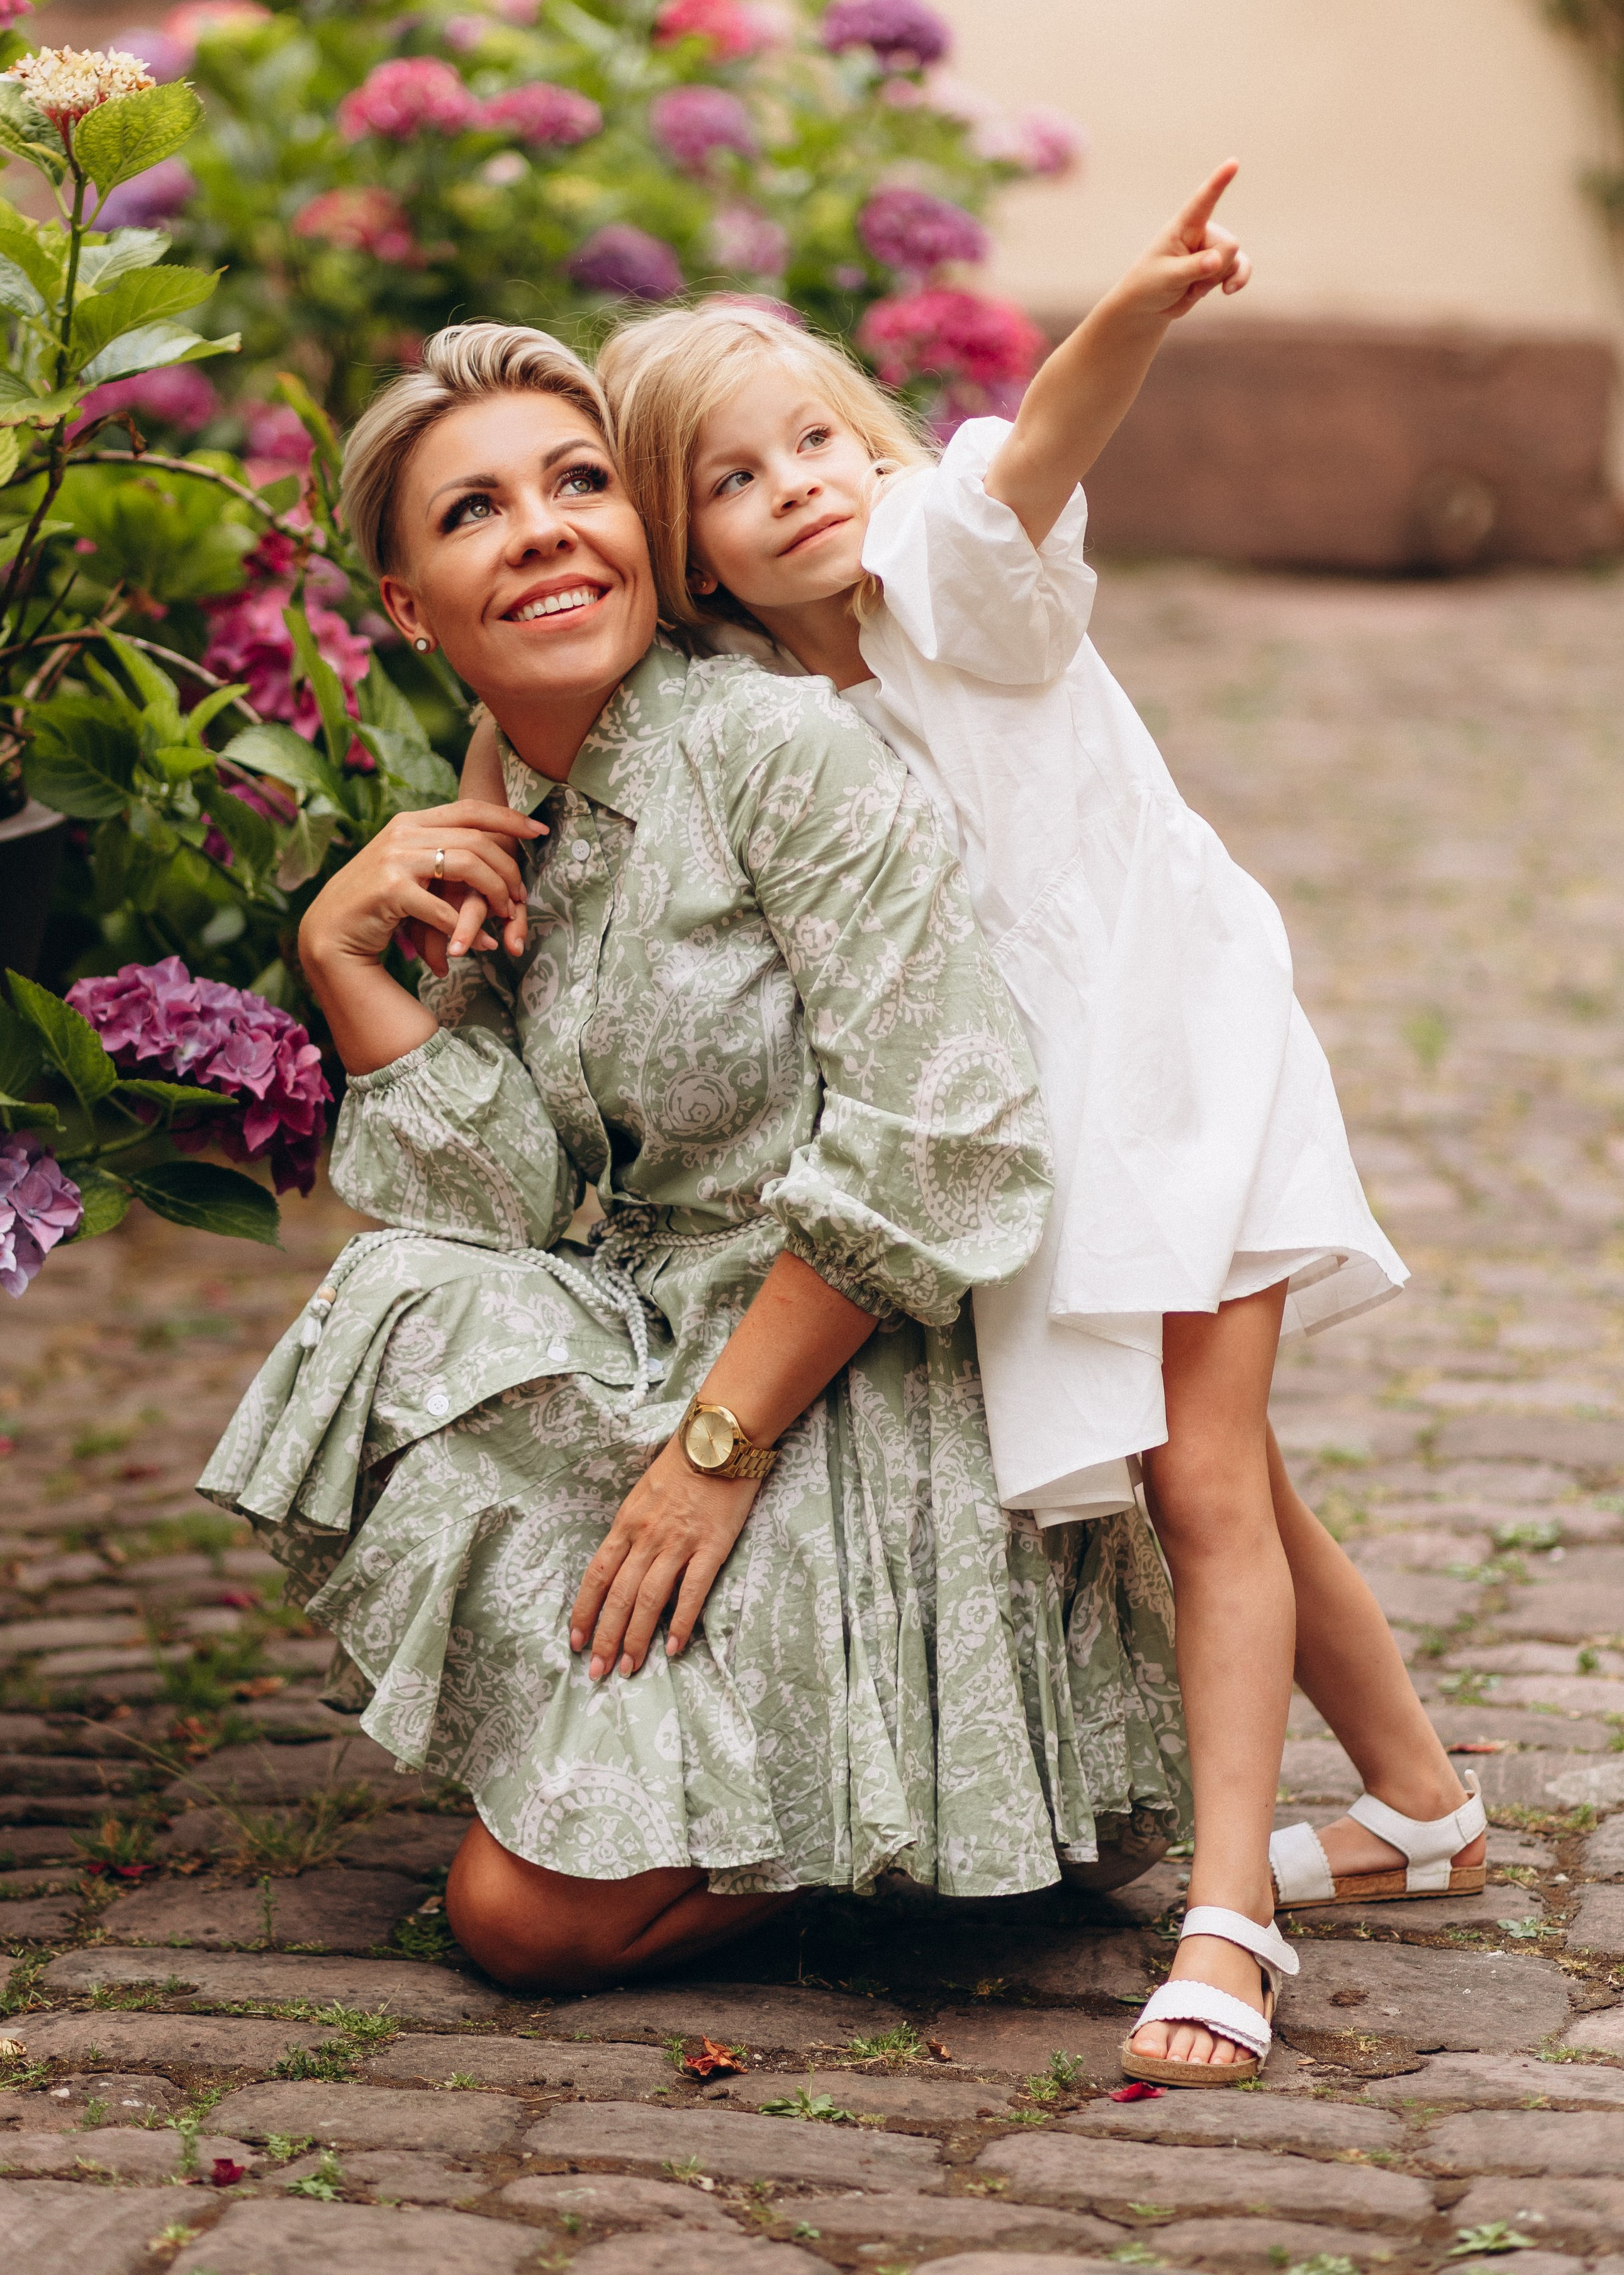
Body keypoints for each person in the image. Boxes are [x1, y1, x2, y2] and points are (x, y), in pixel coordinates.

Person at [571, 170, 1484, 2082]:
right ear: (695, 556)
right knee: (1230, 1465)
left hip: (1176, 1059)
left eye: (816, 432)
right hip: (1067, 1122)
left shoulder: (941, 559)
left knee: (1198, 1485)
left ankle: (1226, 1931)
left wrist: (1135, 313)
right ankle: (1414, 1805)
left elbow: (1027, 465)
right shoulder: (773, 710)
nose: (802, 481)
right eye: (738, 479)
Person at [199, 320, 1189, 1994]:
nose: (541, 531)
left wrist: (713, 1456)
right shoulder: (521, 792)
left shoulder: (772, 750)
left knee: (517, 1924)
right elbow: (503, 1204)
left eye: (578, 482)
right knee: (407, 1294)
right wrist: (344, 966)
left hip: (868, 1370)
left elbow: (943, 1141)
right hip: (668, 1332)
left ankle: (970, 1787)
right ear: (407, 606)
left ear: (641, 532)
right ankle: (745, 1763)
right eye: (473, 512)